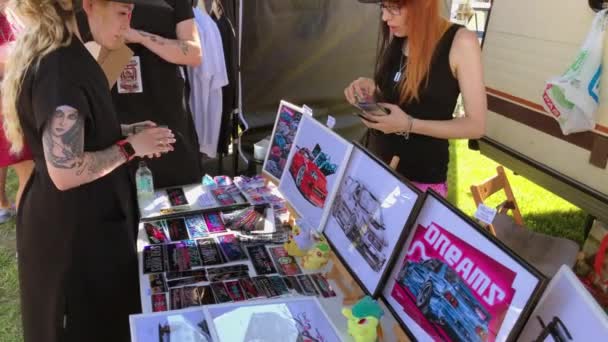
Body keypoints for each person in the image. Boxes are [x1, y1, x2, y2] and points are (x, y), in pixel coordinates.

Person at [1, 0, 175, 341]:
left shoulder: (69, 53)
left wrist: (125, 131)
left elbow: (80, 134)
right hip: (73, 237)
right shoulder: (60, 67)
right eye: (123, 12)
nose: (128, 24)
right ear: (89, 6)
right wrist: (131, 148)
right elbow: (65, 171)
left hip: (81, 226)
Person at [345, 0, 486, 197]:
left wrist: (410, 125)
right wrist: (373, 91)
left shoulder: (461, 43)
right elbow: (405, 100)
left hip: (417, 183)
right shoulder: (401, 33)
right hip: (375, 167)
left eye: (393, 7)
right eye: (383, 7)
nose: (385, 17)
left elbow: (476, 126)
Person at [112, 0, 204, 188]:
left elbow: (194, 53)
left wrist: (141, 37)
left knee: (178, 190)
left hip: (165, 108)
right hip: (115, 113)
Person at [0, 8, 33, 222]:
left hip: (15, 103)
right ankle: (30, 238)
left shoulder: (11, 14)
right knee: (30, 176)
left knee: (28, 173)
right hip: (8, 107)